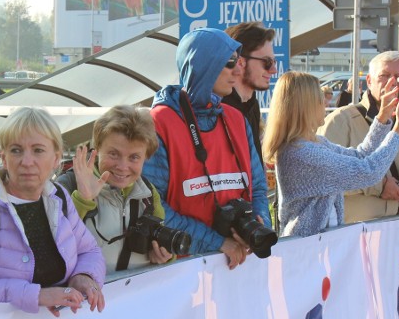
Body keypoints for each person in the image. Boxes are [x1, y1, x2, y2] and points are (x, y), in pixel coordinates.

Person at [0, 107, 106, 316]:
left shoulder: (58, 197)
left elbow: (89, 251)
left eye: (38, 150)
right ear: (3, 157)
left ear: (56, 158)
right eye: (16, 150)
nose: (27, 161)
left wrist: (84, 276)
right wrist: (35, 295)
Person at [142, 27, 273, 270]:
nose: (237, 69)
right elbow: (153, 206)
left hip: (235, 266)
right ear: (204, 66)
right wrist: (217, 242)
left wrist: (259, 222)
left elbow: (257, 185)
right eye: (229, 62)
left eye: (239, 61)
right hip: (183, 272)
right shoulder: (159, 122)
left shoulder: (236, 119)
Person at [262, 71, 399, 238]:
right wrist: (398, 128)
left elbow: (360, 156)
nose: (325, 103)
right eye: (319, 99)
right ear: (305, 107)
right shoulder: (301, 154)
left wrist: (382, 117)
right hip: (308, 253)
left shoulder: (313, 143)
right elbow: (368, 172)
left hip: (317, 249)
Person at [57, 105, 174, 272]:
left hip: (135, 295)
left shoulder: (148, 192)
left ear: (146, 157)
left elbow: (162, 244)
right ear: (96, 149)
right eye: (113, 154)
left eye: (134, 157)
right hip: (83, 296)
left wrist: (164, 256)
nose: (122, 166)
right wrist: (82, 200)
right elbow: (49, 245)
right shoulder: (68, 184)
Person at [319, 51, 399, 223]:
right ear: (369, 81)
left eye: (398, 77)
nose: (392, 83)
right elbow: (323, 177)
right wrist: (379, 186)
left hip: (394, 233)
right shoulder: (341, 120)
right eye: (384, 76)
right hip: (347, 235)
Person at [222, 21, 278, 164]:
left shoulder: (251, 104)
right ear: (240, 62)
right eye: (267, 62)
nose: (273, 70)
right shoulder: (217, 108)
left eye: (274, 62)